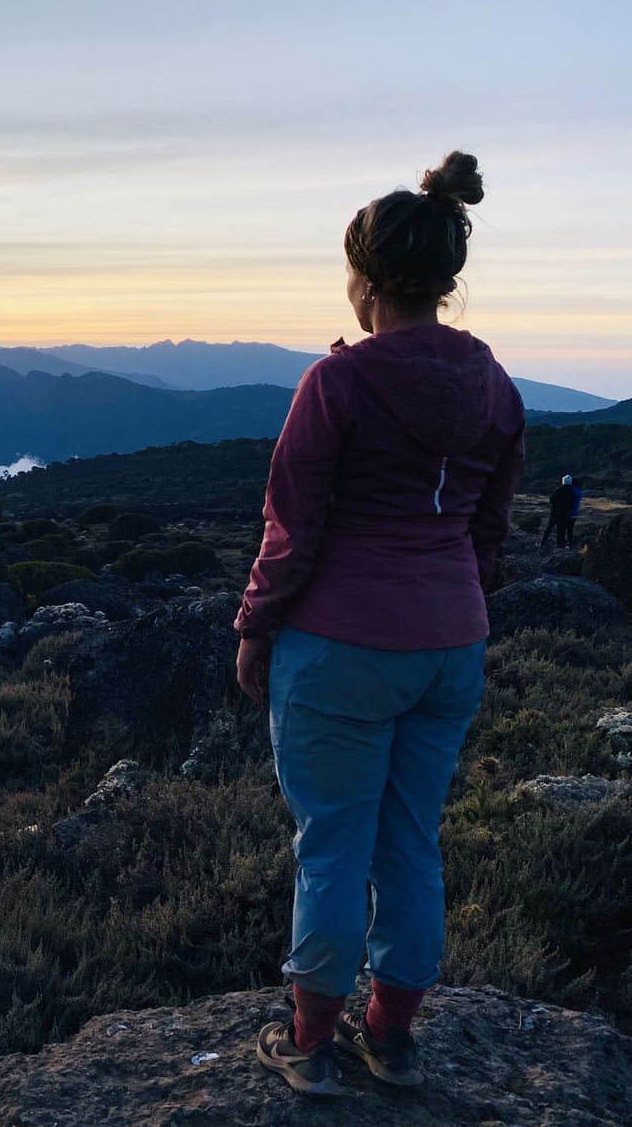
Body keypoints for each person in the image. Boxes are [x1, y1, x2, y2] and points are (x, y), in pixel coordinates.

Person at [234, 151, 525, 1098]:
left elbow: (293, 525)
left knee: (332, 841)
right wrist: (453, 609)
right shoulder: (499, 390)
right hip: (451, 644)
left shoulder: (339, 385)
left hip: (341, 646)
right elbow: (489, 533)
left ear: (363, 282)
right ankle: (393, 1038)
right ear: (446, 281)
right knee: (410, 836)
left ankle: (311, 1041)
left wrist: (254, 628)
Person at [542, 474, 581, 548]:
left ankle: (543, 543)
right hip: (564, 514)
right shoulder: (571, 493)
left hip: (554, 513)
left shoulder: (558, 490)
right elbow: (571, 504)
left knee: (549, 528)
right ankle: (560, 546)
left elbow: (552, 500)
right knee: (561, 531)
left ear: (563, 482)